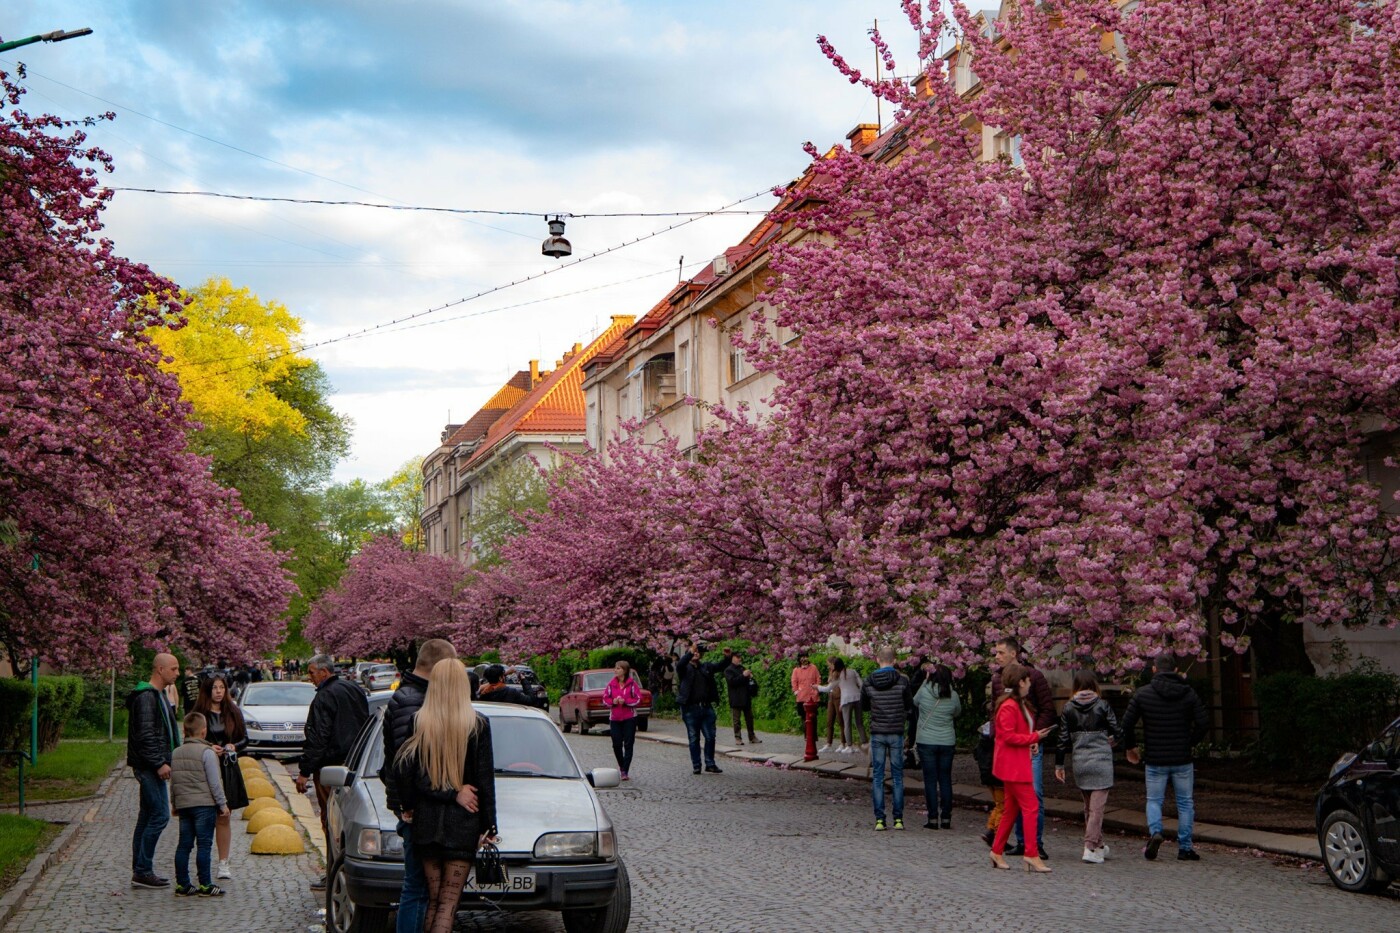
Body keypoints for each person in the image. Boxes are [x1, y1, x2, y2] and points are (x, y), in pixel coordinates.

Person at [392, 659, 497, 933]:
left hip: (426, 822)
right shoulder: (477, 724)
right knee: (448, 906)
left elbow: (407, 773)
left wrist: (409, 806)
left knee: (434, 900)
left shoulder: (420, 721)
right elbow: (485, 781)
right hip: (463, 823)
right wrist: (490, 826)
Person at [380, 639, 461, 933]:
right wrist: (409, 806)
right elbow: (406, 764)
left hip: (420, 807)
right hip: (418, 811)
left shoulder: (411, 696)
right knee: (417, 888)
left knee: (423, 888)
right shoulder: (413, 700)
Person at [1119, 653, 1209, 862]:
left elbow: (1127, 724)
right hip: (1182, 758)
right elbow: (1203, 723)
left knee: (1154, 800)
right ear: (1177, 671)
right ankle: (1185, 848)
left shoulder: (1143, 694)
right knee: (1185, 803)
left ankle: (1155, 832)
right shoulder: (1188, 694)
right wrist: (1189, 742)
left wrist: (1131, 747)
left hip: (1155, 757)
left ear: (1154, 670)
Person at [297, 654, 369, 892]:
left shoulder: (324, 696)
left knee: (330, 821)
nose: (310, 678)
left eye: (311, 672)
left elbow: (318, 737)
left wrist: (304, 772)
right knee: (350, 820)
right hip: (355, 765)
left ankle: (333, 873)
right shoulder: (354, 689)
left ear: (324, 673)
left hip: (329, 768)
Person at [990, 636, 1055, 858]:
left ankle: (1033, 844)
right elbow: (996, 713)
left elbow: (1047, 708)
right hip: (1013, 748)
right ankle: (1021, 846)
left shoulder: (1033, 677)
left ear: (1013, 653)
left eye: (1000, 652)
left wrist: (1035, 737)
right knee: (1016, 801)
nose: (997, 657)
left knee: (1032, 796)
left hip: (1029, 745)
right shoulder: (998, 679)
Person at [126, 652, 181, 889]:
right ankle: (143, 870)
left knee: (147, 816)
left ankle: (140, 868)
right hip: (149, 766)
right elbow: (146, 735)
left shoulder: (157, 695)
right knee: (160, 815)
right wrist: (159, 763)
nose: (177, 673)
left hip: (150, 764)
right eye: (174, 669)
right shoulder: (147, 697)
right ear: (160, 669)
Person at [1054, 670, 1120, 864]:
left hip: (1080, 761)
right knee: (1097, 809)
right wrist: (1112, 741)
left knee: (1089, 807)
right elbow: (1117, 730)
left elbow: (1062, 739)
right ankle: (1089, 846)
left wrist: (1059, 763)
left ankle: (1099, 845)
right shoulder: (1102, 705)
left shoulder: (1068, 707)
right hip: (1101, 760)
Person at [193, 672, 247, 880]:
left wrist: (234, 746)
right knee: (205, 816)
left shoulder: (233, 712)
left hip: (227, 767)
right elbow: (189, 738)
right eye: (214, 688)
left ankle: (223, 862)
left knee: (224, 815)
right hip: (205, 766)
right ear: (207, 691)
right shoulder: (199, 713)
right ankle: (203, 859)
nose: (218, 692)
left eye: (221, 688)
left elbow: (245, 739)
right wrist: (207, 746)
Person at [169, 711, 228, 897]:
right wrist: (222, 804)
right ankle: (205, 884)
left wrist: (174, 803)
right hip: (204, 805)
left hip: (184, 804)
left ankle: (182, 884)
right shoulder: (207, 753)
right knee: (204, 845)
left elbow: (174, 780)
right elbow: (214, 781)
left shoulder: (176, 752)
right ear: (204, 732)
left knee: (184, 845)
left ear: (184, 731)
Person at [861, 646, 913, 831]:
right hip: (896, 732)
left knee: (878, 776)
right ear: (894, 660)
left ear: (877, 660)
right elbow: (909, 705)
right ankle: (898, 819)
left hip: (877, 731)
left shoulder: (868, 681)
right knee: (898, 777)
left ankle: (879, 820)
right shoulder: (902, 681)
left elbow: (864, 706)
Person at [914, 664, 961, 829]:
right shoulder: (953, 695)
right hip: (947, 741)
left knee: (930, 780)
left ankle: (933, 818)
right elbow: (957, 712)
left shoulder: (924, 691)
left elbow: (915, 702)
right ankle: (946, 818)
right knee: (945, 779)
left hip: (926, 741)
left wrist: (924, 682)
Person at [677, 642, 727, 775]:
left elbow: (720, 666)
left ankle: (710, 763)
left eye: (698, 652)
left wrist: (727, 658)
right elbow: (680, 664)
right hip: (690, 708)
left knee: (710, 737)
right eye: (694, 651)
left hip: (706, 707)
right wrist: (689, 652)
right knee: (694, 738)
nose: (696, 653)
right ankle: (696, 765)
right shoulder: (684, 668)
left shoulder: (706, 667)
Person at [603, 660, 643, 779]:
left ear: (624, 671)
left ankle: (625, 770)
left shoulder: (632, 684)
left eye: (618, 668)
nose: (615, 670)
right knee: (616, 744)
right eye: (615, 668)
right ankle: (621, 766)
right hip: (615, 718)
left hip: (629, 718)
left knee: (628, 744)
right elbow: (605, 699)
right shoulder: (611, 684)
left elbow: (638, 699)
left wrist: (626, 702)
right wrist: (613, 702)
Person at [828, 658, 865, 753]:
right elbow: (861, 684)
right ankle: (865, 743)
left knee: (847, 724)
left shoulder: (837, 676)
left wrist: (817, 687)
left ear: (835, 666)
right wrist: (858, 693)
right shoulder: (852, 671)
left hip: (846, 700)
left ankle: (849, 746)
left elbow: (828, 688)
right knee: (859, 723)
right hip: (857, 698)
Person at [723, 652, 761, 745]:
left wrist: (751, 678)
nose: (740, 659)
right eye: (737, 657)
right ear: (733, 658)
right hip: (736, 698)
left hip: (746, 697)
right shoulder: (728, 670)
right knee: (736, 720)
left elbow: (749, 682)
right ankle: (738, 738)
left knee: (750, 718)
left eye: (740, 657)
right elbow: (732, 682)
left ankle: (752, 736)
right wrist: (743, 676)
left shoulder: (742, 668)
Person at [816, 660, 844, 753]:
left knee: (841, 721)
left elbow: (830, 685)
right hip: (831, 696)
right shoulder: (832, 672)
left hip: (838, 696)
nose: (829, 666)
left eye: (830, 664)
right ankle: (828, 743)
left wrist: (818, 687)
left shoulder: (839, 673)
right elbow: (829, 683)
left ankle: (843, 743)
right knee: (829, 720)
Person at [790, 653, 821, 735]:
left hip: (813, 697)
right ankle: (807, 734)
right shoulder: (796, 670)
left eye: (806, 657)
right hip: (801, 697)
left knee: (813, 716)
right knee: (804, 717)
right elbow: (794, 681)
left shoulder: (813, 667)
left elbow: (818, 678)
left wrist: (816, 690)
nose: (805, 659)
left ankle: (814, 734)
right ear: (799, 659)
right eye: (803, 657)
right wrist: (796, 691)